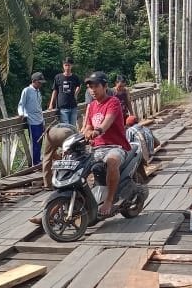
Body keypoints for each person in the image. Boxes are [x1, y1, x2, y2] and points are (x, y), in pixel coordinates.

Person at [81, 71, 131, 216]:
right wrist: (85, 133)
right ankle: (54, 208)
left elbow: (107, 122)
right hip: (96, 148)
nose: (92, 90)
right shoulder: (91, 106)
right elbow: (87, 126)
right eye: (90, 87)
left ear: (105, 86)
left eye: (96, 86)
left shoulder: (113, 102)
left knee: (111, 161)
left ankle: (109, 200)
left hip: (115, 146)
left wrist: (98, 131)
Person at [18, 72, 46, 166]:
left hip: (40, 120)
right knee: (35, 143)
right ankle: (34, 163)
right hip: (32, 120)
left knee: (40, 141)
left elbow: (39, 107)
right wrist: (21, 114)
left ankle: (38, 160)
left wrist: (43, 121)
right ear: (34, 81)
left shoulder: (38, 92)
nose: (40, 84)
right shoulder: (27, 90)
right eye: (39, 82)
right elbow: (21, 104)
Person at [49, 58, 82, 127]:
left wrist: (76, 94)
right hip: (62, 107)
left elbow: (79, 86)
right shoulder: (58, 77)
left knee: (73, 127)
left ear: (72, 66)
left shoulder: (75, 77)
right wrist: (51, 104)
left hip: (73, 106)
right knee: (66, 128)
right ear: (63, 66)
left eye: (69, 65)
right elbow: (54, 91)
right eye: (65, 65)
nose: (67, 67)